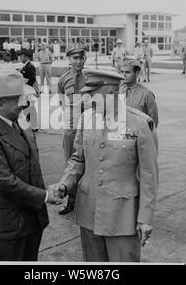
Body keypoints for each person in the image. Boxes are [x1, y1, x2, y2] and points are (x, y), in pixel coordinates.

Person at [52, 69, 159, 262]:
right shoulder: (87, 119)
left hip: (122, 216)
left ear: (111, 93)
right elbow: (78, 159)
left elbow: (149, 176)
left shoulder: (140, 124)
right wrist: (64, 184)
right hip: (89, 211)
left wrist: (145, 218)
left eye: (92, 95)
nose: (87, 99)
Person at [0, 69, 61, 261]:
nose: (24, 103)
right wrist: (46, 196)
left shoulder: (19, 122)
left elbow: (33, 168)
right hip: (8, 224)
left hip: (31, 219)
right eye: (18, 98)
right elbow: (5, 182)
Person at [57, 45, 88, 215]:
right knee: (70, 164)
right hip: (71, 128)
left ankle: (87, 201)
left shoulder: (91, 78)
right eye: (74, 58)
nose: (78, 61)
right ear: (68, 59)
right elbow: (62, 102)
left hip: (90, 128)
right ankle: (71, 201)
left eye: (81, 57)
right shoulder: (63, 80)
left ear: (85, 58)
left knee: (89, 164)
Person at [119, 59, 159, 127]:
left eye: (127, 72)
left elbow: (153, 122)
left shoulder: (146, 94)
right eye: (122, 72)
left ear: (137, 73)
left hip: (139, 134)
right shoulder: (117, 91)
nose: (124, 75)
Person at [19, 49, 38, 131]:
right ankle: (31, 124)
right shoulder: (25, 66)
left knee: (29, 107)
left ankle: (34, 126)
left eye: (21, 56)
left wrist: (24, 81)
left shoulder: (30, 66)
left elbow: (32, 79)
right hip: (25, 90)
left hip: (28, 90)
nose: (20, 58)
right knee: (26, 107)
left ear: (26, 57)